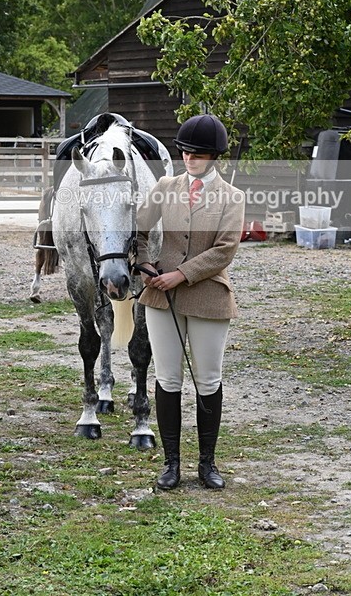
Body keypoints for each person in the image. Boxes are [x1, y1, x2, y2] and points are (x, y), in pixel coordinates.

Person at [136, 114, 245, 490]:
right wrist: (144, 264)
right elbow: (138, 229)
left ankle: (208, 463)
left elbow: (225, 249)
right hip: (159, 295)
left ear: (214, 156)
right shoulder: (165, 186)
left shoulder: (232, 197)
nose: (190, 158)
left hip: (209, 294)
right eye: (185, 151)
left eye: (198, 153)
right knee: (167, 378)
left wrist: (181, 275)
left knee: (208, 379)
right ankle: (171, 464)